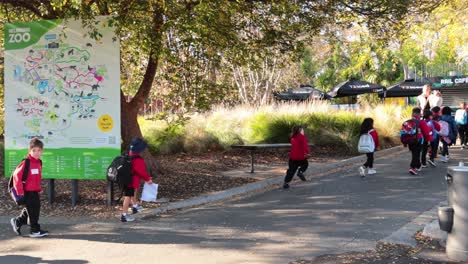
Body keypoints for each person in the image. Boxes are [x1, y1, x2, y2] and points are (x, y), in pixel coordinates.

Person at [10, 138, 48, 237]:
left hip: (34, 191)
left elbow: (36, 177)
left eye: (39, 150)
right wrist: (20, 192)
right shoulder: (26, 162)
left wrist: (38, 187)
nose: (36, 152)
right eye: (34, 150)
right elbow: (16, 176)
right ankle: (35, 230)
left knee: (33, 208)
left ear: (42, 151)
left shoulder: (39, 162)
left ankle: (17, 221)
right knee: (34, 210)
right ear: (29, 151)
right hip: (26, 191)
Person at [121, 137, 153, 222]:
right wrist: (148, 179)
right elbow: (141, 171)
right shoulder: (137, 159)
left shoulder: (128, 154)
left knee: (132, 193)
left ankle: (135, 207)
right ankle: (124, 216)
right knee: (127, 197)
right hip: (131, 181)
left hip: (126, 179)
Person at [407, 107, 431, 175]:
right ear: (419, 114)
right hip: (418, 140)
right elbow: (426, 132)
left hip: (410, 140)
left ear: (412, 113)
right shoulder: (421, 122)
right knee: (416, 154)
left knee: (414, 153)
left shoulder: (408, 121)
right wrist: (428, 140)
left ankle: (418, 165)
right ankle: (412, 167)